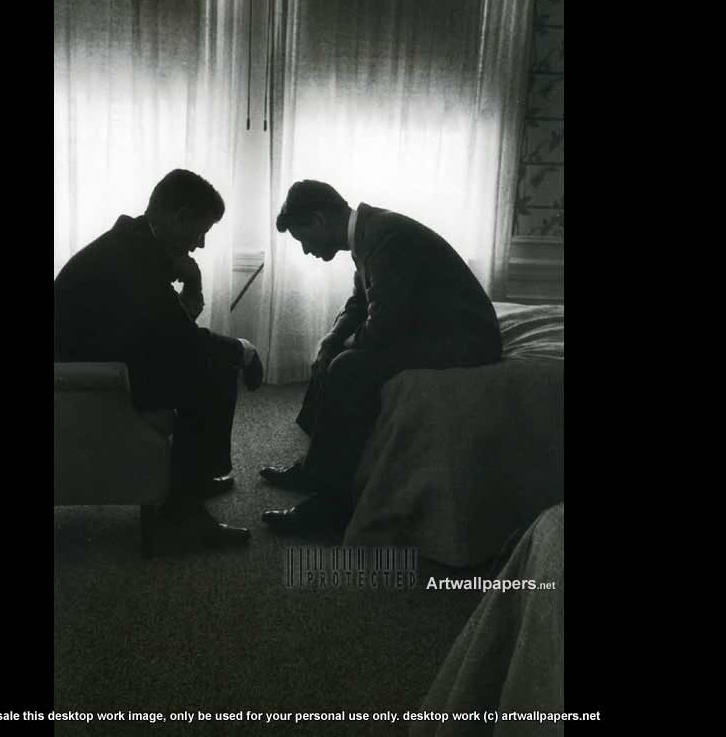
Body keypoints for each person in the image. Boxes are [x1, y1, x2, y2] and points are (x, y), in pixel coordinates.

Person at [260, 180, 502, 535]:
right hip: (432, 325)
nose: (307, 250)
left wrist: (342, 348)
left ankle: (331, 508)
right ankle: (315, 469)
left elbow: (385, 323)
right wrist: (331, 339)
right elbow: (360, 303)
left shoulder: (384, 237)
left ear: (319, 220)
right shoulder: (369, 233)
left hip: (464, 339)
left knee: (347, 367)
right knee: (332, 353)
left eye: (303, 239)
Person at [54, 169, 263, 555]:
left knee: (210, 363)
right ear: (180, 217)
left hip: (104, 362)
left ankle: (195, 479)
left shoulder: (134, 244)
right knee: (214, 372)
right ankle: (184, 514)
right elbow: (180, 338)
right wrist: (244, 350)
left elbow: (167, 328)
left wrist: (193, 283)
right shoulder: (134, 259)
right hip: (90, 381)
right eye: (201, 232)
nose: (201, 244)